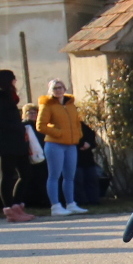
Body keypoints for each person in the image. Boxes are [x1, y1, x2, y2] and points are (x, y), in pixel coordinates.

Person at [0, 69, 35, 222]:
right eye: (12, 79)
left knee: (26, 174)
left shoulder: (10, 96)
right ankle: (9, 208)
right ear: (6, 80)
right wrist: (16, 127)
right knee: (7, 175)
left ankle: (17, 205)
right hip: (4, 140)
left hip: (17, 140)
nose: (15, 81)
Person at [35, 79, 86, 215]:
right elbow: (40, 125)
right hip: (54, 144)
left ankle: (71, 204)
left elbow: (77, 122)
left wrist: (78, 135)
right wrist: (59, 133)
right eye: (55, 88)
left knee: (69, 176)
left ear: (65, 89)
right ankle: (55, 206)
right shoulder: (47, 105)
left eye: (60, 87)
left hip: (71, 145)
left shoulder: (70, 105)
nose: (58, 90)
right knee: (54, 175)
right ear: (50, 90)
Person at [75, 121, 105, 204]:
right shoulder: (66, 125)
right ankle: (81, 201)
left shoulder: (81, 124)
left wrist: (88, 143)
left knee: (91, 178)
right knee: (78, 180)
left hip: (87, 157)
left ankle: (94, 200)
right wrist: (80, 144)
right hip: (75, 157)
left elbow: (91, 134)